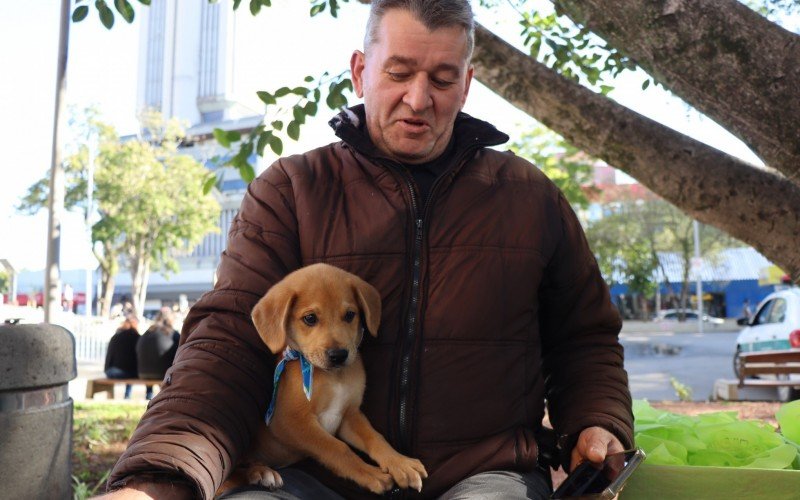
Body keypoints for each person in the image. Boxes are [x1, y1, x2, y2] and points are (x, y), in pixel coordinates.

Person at [102, 1, 633, 498]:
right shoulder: (292, 189)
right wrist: (161, 477)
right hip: (304, 477)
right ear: (360, 71)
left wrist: (596, 421)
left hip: (485, 474)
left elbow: (584, 339)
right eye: (398, 73)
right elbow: (226, 346)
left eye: (443, 78)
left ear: (467, 85)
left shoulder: (530, 197)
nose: (419, 98)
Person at [135, 307, 180, 400]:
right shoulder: (173, 334)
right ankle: (164, 399)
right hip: (163, 374)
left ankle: (148, 396)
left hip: (142, 373)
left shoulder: (147, 332)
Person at [104, 314, 141, 399]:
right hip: (127, 372)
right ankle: (128, 396)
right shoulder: (136, 337)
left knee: (129, 369)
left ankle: (127, 396)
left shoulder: (115, 336)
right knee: (133, 370)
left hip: (111, 371)